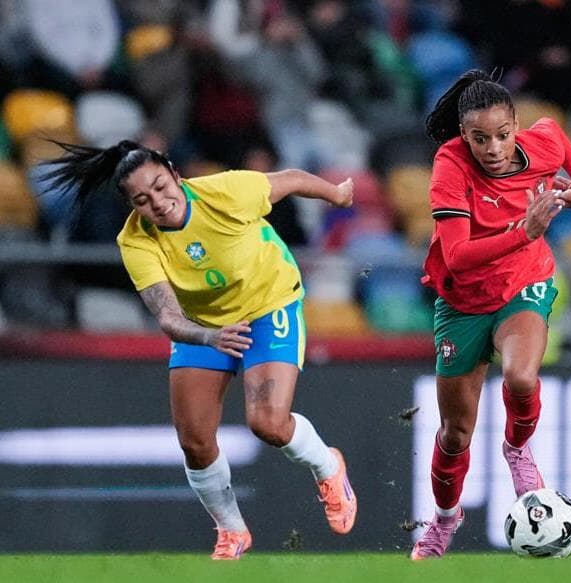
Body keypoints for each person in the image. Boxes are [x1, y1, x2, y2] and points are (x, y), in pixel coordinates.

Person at [40, 140, 357, 559]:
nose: (158, 201)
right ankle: (232, 532)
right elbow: (168, 318)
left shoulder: (226, 192)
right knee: (194, 440)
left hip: (268, 303)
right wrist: (210, 336)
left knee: (269, 424)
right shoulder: (135, 241)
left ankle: (328, 466)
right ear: (133, 207)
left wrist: (336, 194)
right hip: (203, 326)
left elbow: (293, 179)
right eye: (142, 199)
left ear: (174, 173)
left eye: (159, 185)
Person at [412, 69, 571, 560]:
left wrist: (564, 197)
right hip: (463, 301)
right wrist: (526, 230)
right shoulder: (450, 164)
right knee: (455, 434)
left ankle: (517, 450)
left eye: (501, 134)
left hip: (524, 284)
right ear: (463, 135)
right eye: (479, 138)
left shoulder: (548, 139)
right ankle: (445, 521)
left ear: (517, 125)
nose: (492, 147)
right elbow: (457, 257)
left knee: (520, 376)